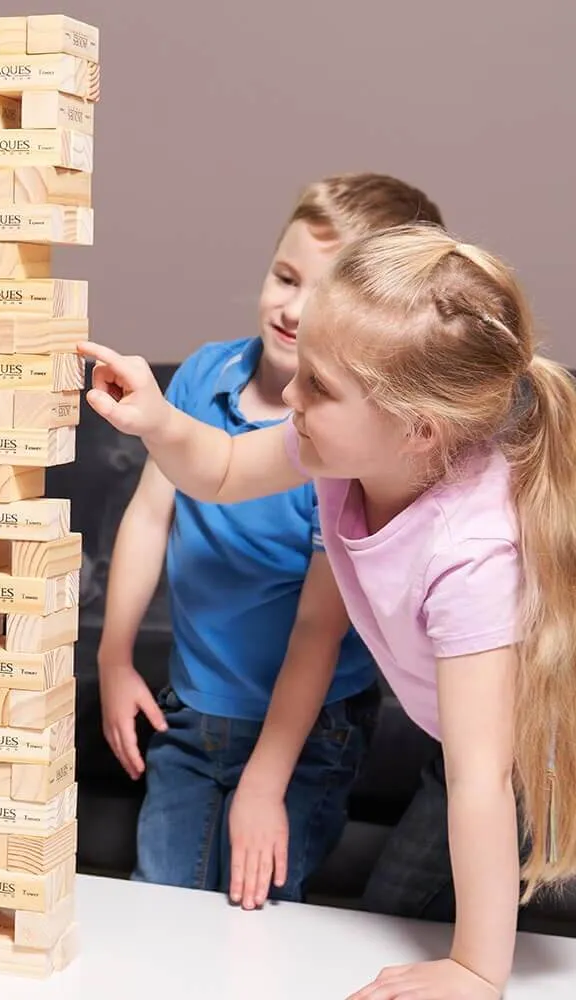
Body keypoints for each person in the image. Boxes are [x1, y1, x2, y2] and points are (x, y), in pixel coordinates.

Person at [79, 222, 576, 999]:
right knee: (391, 922)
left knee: (462, 939)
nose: (292, 397)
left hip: (537, 765)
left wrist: (479, 971)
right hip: (483, 759)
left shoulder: (473, 553)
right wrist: (160, 420)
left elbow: (483, 773)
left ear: (419, 430)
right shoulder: (342, 451)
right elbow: (226, 466)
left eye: (319, 385)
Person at [98, 174, 445, 909]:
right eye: (284, 277)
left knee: (256, 915)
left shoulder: (347, 444)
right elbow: (149, 514)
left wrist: (265, 780)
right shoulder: (204, 376)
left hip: (307, 733)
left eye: (320, 296)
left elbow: (320, 628)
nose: (291, 309)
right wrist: (114, 657)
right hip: (192, 709)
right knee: (158, 904)